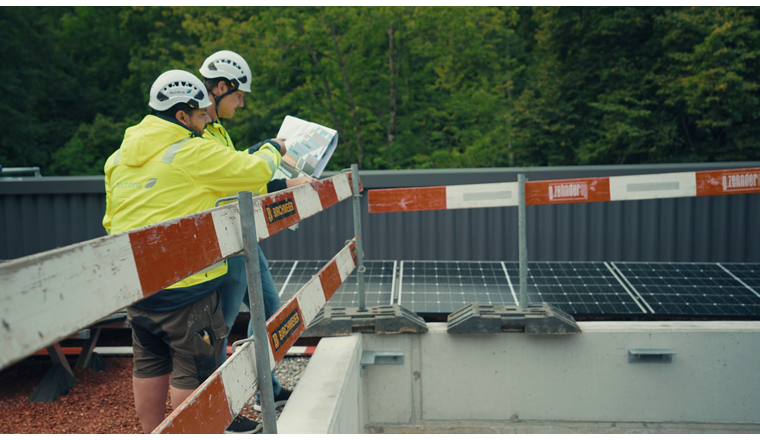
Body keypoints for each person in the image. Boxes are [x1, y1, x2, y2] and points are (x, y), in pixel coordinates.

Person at [102, 69, 284, 434]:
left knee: (150, 366)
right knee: (195, 374)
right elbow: (253, 172)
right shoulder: (192, 151)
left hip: (139, 290)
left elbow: (111, 222)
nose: (206, 123)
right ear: (182, 115)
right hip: (189, 290)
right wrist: (272, 148)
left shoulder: (118, 158)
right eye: (202, 115)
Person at [197, 50, 318, 434]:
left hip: (240, 235)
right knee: (220, 326)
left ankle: (268, 387)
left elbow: (238, 177)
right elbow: (233, 178)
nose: (242, 102)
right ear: (220, 88)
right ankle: (222, 410)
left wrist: (284, 182)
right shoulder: (200, 129)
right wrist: (273, 162)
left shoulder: (216, 128)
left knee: (269, 306)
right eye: (239, 94)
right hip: (224, 241)